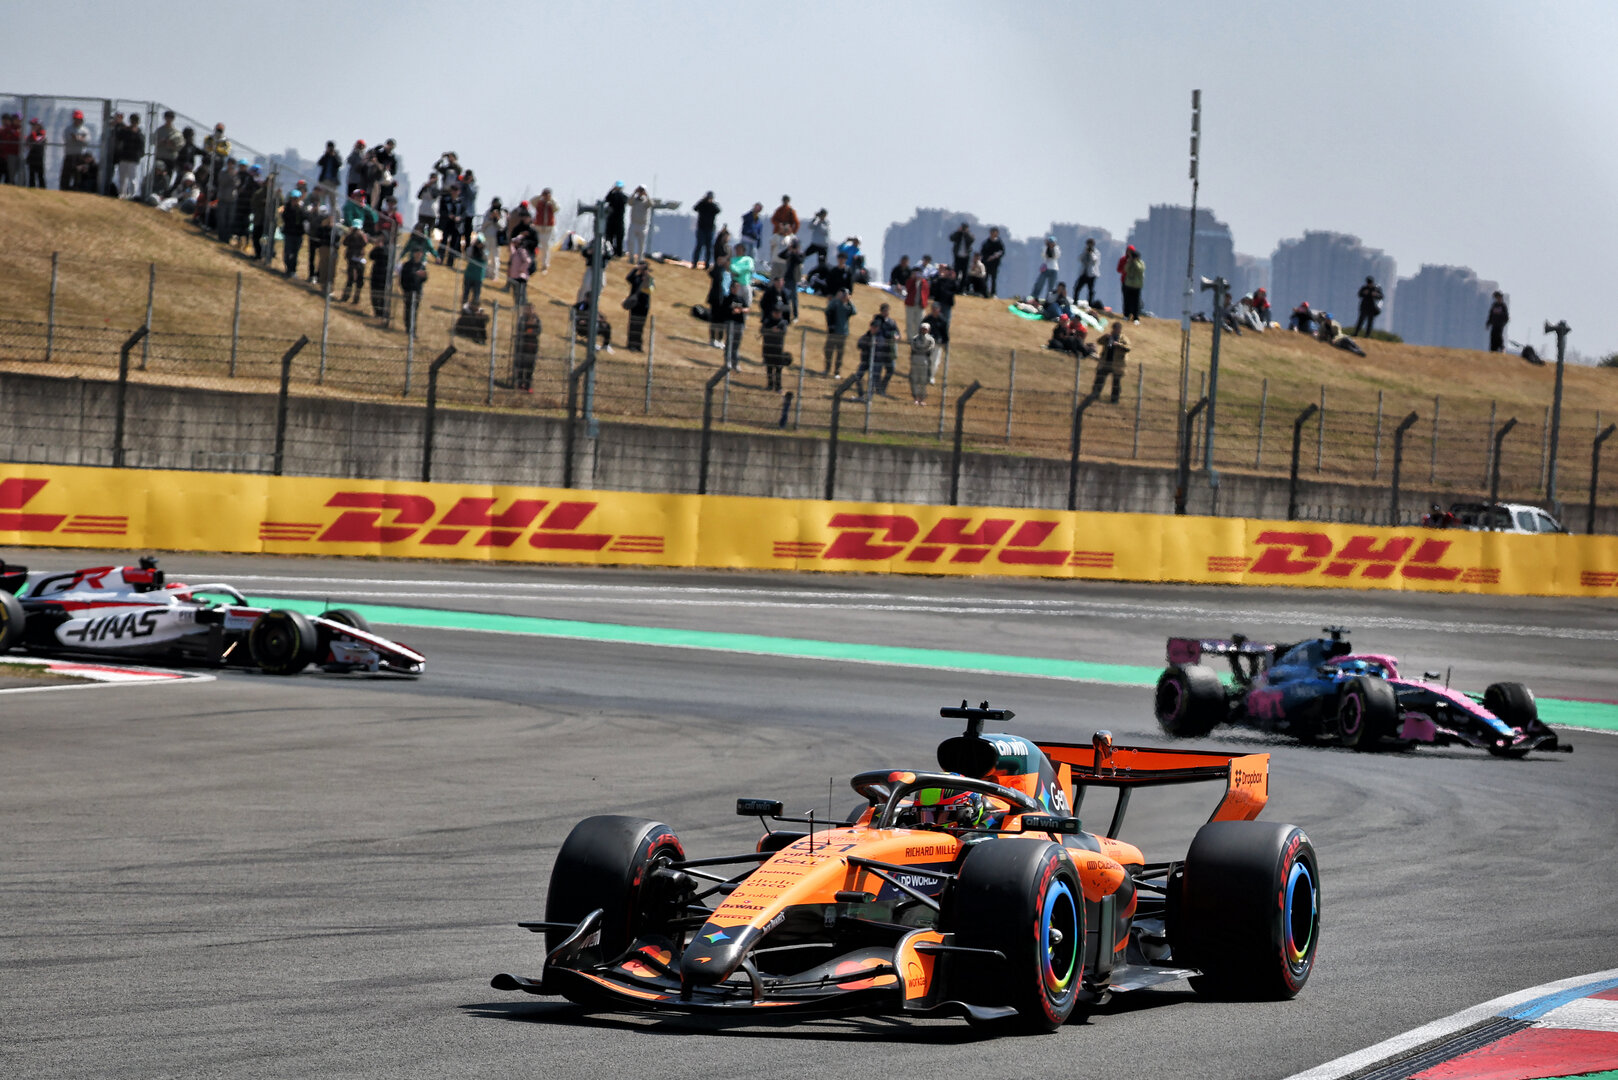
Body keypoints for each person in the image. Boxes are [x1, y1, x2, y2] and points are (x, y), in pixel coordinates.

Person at [1092, 321, 1130, 403]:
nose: (1116, 331)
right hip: (1106, 362)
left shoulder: (1123, 338)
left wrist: (1119, 344)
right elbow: (1099, 341)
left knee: (1116, 383)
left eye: (1117, 329)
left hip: (1117, 364)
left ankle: (1114, 400)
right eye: (1114, 329)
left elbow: (1128, 348)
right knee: (1099, 379)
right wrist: (1105, 337)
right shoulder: (1108, 337)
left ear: (1120, 330)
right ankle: (1094, 395)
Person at [823, 288, 856, 376]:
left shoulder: (848, 306)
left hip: (843, 333)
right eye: (843, 294)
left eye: (846, 294)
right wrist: (837, 299)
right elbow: (827, 310)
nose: (844, 296)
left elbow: (854, 312)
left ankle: (837, 371)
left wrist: (849, 301)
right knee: (828, 351)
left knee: (839, 354)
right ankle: (827, 369)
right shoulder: (835, 303)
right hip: (833, 332)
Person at [869, 304, 900, 396]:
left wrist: (897, 336)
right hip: (879, 350)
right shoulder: (877, 320)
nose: (886, 313)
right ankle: (878, 389)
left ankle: (882, 388)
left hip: (889, 351)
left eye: (887, 311)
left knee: (891, 370)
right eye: (884, 311)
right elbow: (879, 332)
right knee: (877, 371)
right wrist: (891, 334)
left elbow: (897, 332)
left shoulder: (892, 322)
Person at [760, 302, 790, 391]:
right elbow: (762, 330)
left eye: (779, 313)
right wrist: (771, 330)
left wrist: (777, 332)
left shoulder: (783, 323)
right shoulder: (767, 321)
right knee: (769, 368)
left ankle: (778, 386)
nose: (777, 314)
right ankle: (770, 385)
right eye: (776, 312)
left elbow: (783, 332)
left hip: (778, 349)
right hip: (768, 348)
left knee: (778, 369)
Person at [512, 304, 541, 391]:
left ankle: (528, 386)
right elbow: (520, 329)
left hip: (532, 347)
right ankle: (520, 384)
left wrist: (530, 330)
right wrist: (528, 328)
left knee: (530, 367)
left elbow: (538, 330)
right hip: (522, 346)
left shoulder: (537, 319)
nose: (529, 311)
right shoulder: (522, 318)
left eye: (531, 309)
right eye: (528, 309)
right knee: (521, 366)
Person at [624, 261, 653, 351]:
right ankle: (631, 344)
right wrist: (635, 268)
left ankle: (638, 345)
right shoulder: (636, 278)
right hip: (635, 305)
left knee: (640, 326)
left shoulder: (649, 279)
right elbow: (628, 278)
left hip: (644, 306)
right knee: (633, 325)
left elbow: (650, 290)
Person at [60, 109, 91, 190]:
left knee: (78, 177)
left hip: (80, 157)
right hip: (69, 155)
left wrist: (77, 138)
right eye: (76, 118)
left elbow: (87, 141)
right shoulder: (68, 129)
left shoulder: (85, 130)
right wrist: (80, 138)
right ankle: (64, 189)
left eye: (79, 119)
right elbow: (68, 139)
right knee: (66, 176)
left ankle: (78, 190)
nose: (77, 120)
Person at [722, 279, 749, 370]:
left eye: (738, 287)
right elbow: (728, 311)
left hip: (740, 324)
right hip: (731, 323)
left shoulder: (740, 299)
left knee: (736, 344)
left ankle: (735, 362)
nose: (736, 289)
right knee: (729, 342)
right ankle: (728, 361)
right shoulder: (727, 298)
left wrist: (740, 310)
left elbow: (746, 309)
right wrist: (736, 311)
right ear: (731, 288)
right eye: (735, 287)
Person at [113, 114, 142, 198]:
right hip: (124, 157)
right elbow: (118, 136)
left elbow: (141, 146)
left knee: (132, 178)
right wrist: (119, 123)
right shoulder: (125, 130)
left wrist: (138, 156)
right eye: (132, 120)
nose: (133, 122)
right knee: (122, 177)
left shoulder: (139, 133)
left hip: (133, 159)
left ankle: (132, 195)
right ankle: (122, 193)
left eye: (135, 121)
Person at [400, 248, 428, 336]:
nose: (419, 254)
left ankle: (412, 330)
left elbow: (423, 279)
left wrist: (424, 276)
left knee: (414, 311)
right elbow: (403, 278)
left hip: (417, 291)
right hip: (408, 290)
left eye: (420, 253)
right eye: (417, 252)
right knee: (408, 310)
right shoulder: (407, 265)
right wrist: (415, 274)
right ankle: (408, 327)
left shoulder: (422, 266)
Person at [777, 237, 805, 319]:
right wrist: (787, 249)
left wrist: (794, 252)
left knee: (794, 298)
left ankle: (795, 315)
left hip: (794, 278)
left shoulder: (800, 254)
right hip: (786, 277)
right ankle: (785, 314)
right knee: (785, 297)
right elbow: (780, 255)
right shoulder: (789, 253)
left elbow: (799, 260)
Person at [339, 225, 368, 304]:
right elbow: (345, 243)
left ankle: (355, 298)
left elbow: (365, 243)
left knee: (358, 279)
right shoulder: (351, 236)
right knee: (351, 278)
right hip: (352, 259)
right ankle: (347, 297)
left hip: (358, 260)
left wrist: (361, 235)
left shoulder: (361, 236)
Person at [908, 326, 936, 405]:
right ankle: (916, 398)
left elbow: (931, 349)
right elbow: (913, 348)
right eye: (922, 329)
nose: (923, 330)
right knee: (914, 380)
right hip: (915, 360)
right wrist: (922, 349)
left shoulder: (930, 340)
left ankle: (922, 399)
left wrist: (922, 350)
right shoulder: (915, 338)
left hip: (925, 362)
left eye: (925, 329)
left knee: (923, 381)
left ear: (928, 330)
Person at [532, 187, 558, 272]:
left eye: (547, 194)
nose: (546, 196)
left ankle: (545, 265)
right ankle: (532, 262)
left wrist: (551, 200)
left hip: (548, 229)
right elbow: (532, 201)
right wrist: (541, 196)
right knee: (535, 245)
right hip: (538, 228)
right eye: (545, 194)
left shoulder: (552, 203)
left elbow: (557, 208)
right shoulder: (539, 202)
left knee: (546, 247)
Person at [768, 195, 799, 268]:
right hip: (778, 233)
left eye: (786, 201)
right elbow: (773, 220)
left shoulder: (791, 211)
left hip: (788, 234)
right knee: (775, 248)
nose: (785, 202)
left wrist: (792, 232)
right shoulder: (779, 210)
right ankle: (772, 262)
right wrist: (779, 225)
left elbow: (797, 223)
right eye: (784, 200)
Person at [706, 256, 729, 347]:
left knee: (722, 322)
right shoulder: (718, 271)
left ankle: (720, 339)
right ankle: (712, 339)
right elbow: (711, 273)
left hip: (725, 300)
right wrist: (718, 265)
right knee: (714, 320)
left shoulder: (730, 274)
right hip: (716, 299)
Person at [692, 191, 719, 267]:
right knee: (699, 246)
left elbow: (718, 210)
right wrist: (702, 201)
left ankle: (707, 264)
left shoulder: (713, 206)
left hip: (710, 229)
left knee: (709, 248)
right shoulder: (702, 204)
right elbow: (695, 208)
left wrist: (711, 203)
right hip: (701, 228)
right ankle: (695, 262)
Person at [481, 198, 505, 282]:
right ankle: (486, 273)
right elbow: (483, 225)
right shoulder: (488, 212)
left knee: (495, 257)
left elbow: (502, 226)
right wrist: (490, 218)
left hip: (496, 238)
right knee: (485, 255)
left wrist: (497, 218)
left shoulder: (502, 213)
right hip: (487, 237)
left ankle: (494, 274)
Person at [902, 267, 929, 339]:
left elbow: (926, 293)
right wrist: (913, 279)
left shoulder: (924, 282)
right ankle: (910, 338)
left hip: (920, 305)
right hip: (911, 305)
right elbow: (908, 288)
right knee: (910, 322)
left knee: (919, 323)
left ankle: (919, 337)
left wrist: (925, 303)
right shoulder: (910, 281)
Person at [603, 181, 628, 256]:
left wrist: (617, 192)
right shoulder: (612, 196)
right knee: (609, 237)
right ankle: (609, 251)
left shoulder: (623, 197)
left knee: (619, 238)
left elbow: (625, 200)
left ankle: (618, 253)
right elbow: (607, 199)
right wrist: (612, 190)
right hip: (611, 220)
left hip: (619, 220)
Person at [507, 236, 532, 310]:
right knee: (515, 292)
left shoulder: (521, 251)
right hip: (514, 276)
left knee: (521, 293)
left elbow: (527, 261)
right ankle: (517, 305)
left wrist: (521, 270)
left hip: (521, 277)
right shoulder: (515, 252)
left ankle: (522, 307)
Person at [627, 185, 652, 259]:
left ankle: (640, 259)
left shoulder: (646, 201)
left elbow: (651, 204)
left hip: (642, 225)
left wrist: (646, 195)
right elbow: (629, 202)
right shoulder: (634, 200)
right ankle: (631, 258)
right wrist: (634, 192)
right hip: (633, 223)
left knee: (641, 244)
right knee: (631, 242)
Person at [1121, 248, 1145, 322]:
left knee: (1136, 302)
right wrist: (1129, 262)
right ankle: (1126, 315)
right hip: (1129, 285)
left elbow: (1140, 269)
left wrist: (1135, 262)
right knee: (1127, 301)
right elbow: (1125, 269)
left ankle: (1136, 317)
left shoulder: (1141, 263)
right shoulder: (1129, 262)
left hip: (1137, 286)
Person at [981, 227, 1005, 297]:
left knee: (993, 279)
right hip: (986, 263)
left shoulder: (999, 243)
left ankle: (993, 293)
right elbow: (982, 251)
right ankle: (984, 292)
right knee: (985, 278)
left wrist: (995, 256)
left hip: (995, 264)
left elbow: (1002, 252)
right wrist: (987, 258)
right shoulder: (986, 242)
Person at [462, 238, 487, 310]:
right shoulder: (471, 249)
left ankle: (473, 309)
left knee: (476, 296)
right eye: (478, 242)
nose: (479, 244)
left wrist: (481, 248)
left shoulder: (485, 252)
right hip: (469, 275)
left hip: (478, 277)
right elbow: (467, 254)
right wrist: (474, 245)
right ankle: (464, 309)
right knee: (466, 294)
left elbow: (485, 257)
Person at [368, 241, 390, 317]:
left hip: (384, 275)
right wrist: (376, 248)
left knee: (382, 295)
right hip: (375, 274)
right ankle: (377, 312)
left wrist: (380, 248)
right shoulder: (377, 249)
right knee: (374, 294)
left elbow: (386, 256)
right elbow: (371, 256)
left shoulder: (388, 249)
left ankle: (383, 312)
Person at [1075, 238, 1100, 305]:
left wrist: (1091, 253)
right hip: (1083, 273)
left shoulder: (1096, 252)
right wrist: (1085, 252)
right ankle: (1075, 301)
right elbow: (1079, 259)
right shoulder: (1084, 251)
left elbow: (1095, 260)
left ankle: (1090, 303)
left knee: (1091, 290)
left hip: (1091, 274)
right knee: (1077, 288)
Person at [24, 118, 47, 188]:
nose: (33, 127)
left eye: (34, 125)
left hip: (39, 158)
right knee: (31, 175)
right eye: (32, 125)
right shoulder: (32, 134)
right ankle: (31, 187)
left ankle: (42, 189)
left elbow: (37, 140)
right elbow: (27, 143)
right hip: (32, 158)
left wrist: (33, 133)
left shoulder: (42, 133)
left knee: (40, 176)